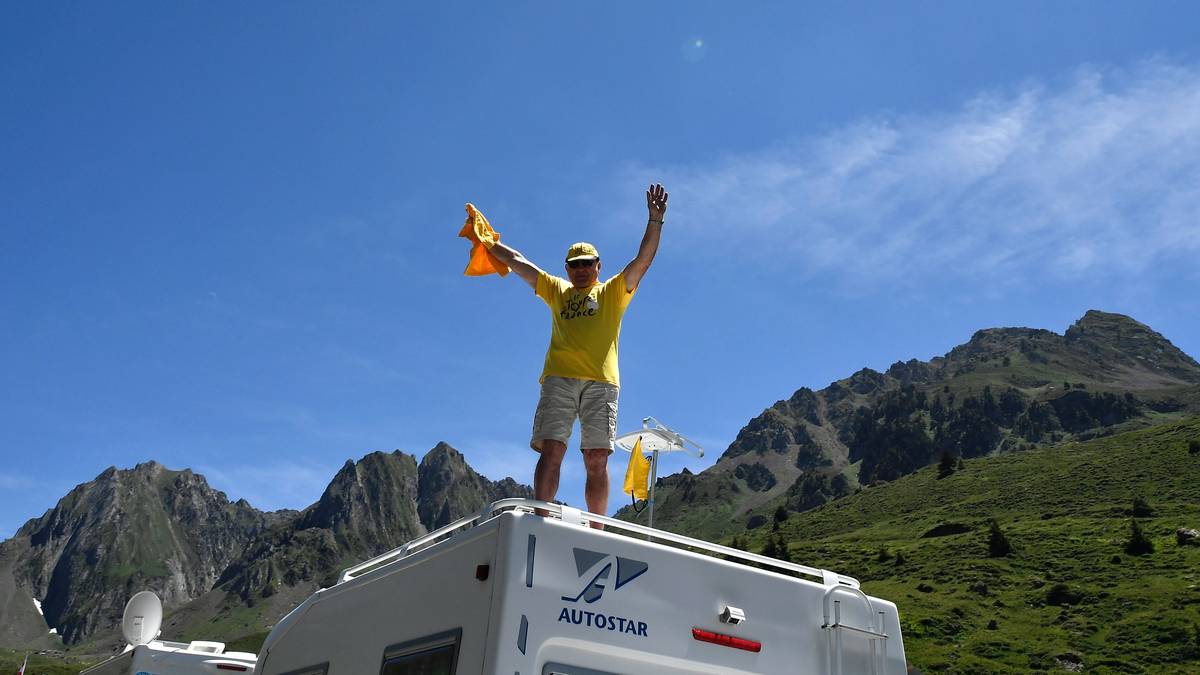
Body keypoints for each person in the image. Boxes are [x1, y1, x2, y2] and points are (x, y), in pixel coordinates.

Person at [488, 184, 668, 526]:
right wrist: (487, 241)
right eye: (574, 265)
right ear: (567, 268)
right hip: (559, 379)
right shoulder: (557, 290)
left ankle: (597, 529)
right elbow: (517, 262)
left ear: (598, 266)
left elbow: (642, 260)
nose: (580, 269)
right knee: (552, 448)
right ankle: (540, 519)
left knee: (597, 457)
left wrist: (655, 220)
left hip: (602, 383)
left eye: (586, 264)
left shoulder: (614, 291)